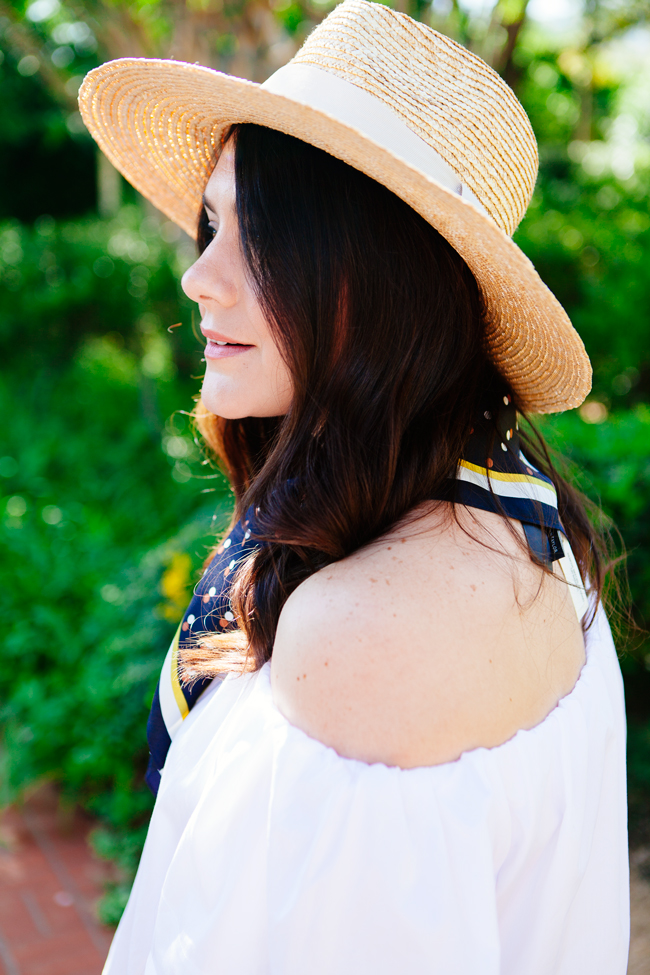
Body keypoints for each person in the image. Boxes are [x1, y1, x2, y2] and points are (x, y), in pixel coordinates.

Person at [79, 2, 629, 972]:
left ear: (375, 275)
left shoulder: (370, 638)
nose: (197, 279)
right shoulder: (505, 515)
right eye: (211, 224)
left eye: (261, 236)